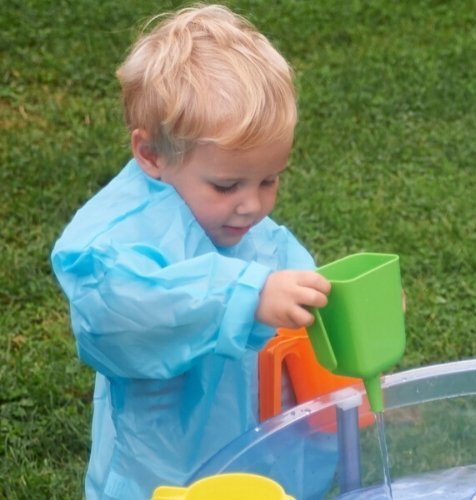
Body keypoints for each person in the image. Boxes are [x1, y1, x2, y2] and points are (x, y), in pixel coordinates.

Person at [51, 4, 333, 499]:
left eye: (269, 180)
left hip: (248, 451)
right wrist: (243, 297)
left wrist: (344, 310)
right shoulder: (112, 241)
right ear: (152, 155)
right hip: (160, 470)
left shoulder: (248, 227)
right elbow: (120, 313)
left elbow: (296, 285)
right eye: (227, 184)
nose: (252, 205)